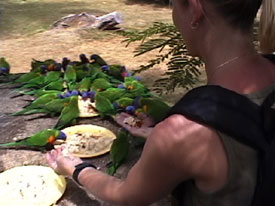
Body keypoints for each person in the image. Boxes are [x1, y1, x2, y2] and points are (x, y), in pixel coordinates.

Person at [46, 0, 275, 205]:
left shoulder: (183, 133)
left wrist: (76, 168)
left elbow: (125, 195)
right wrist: (157, 134)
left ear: (195, 10)